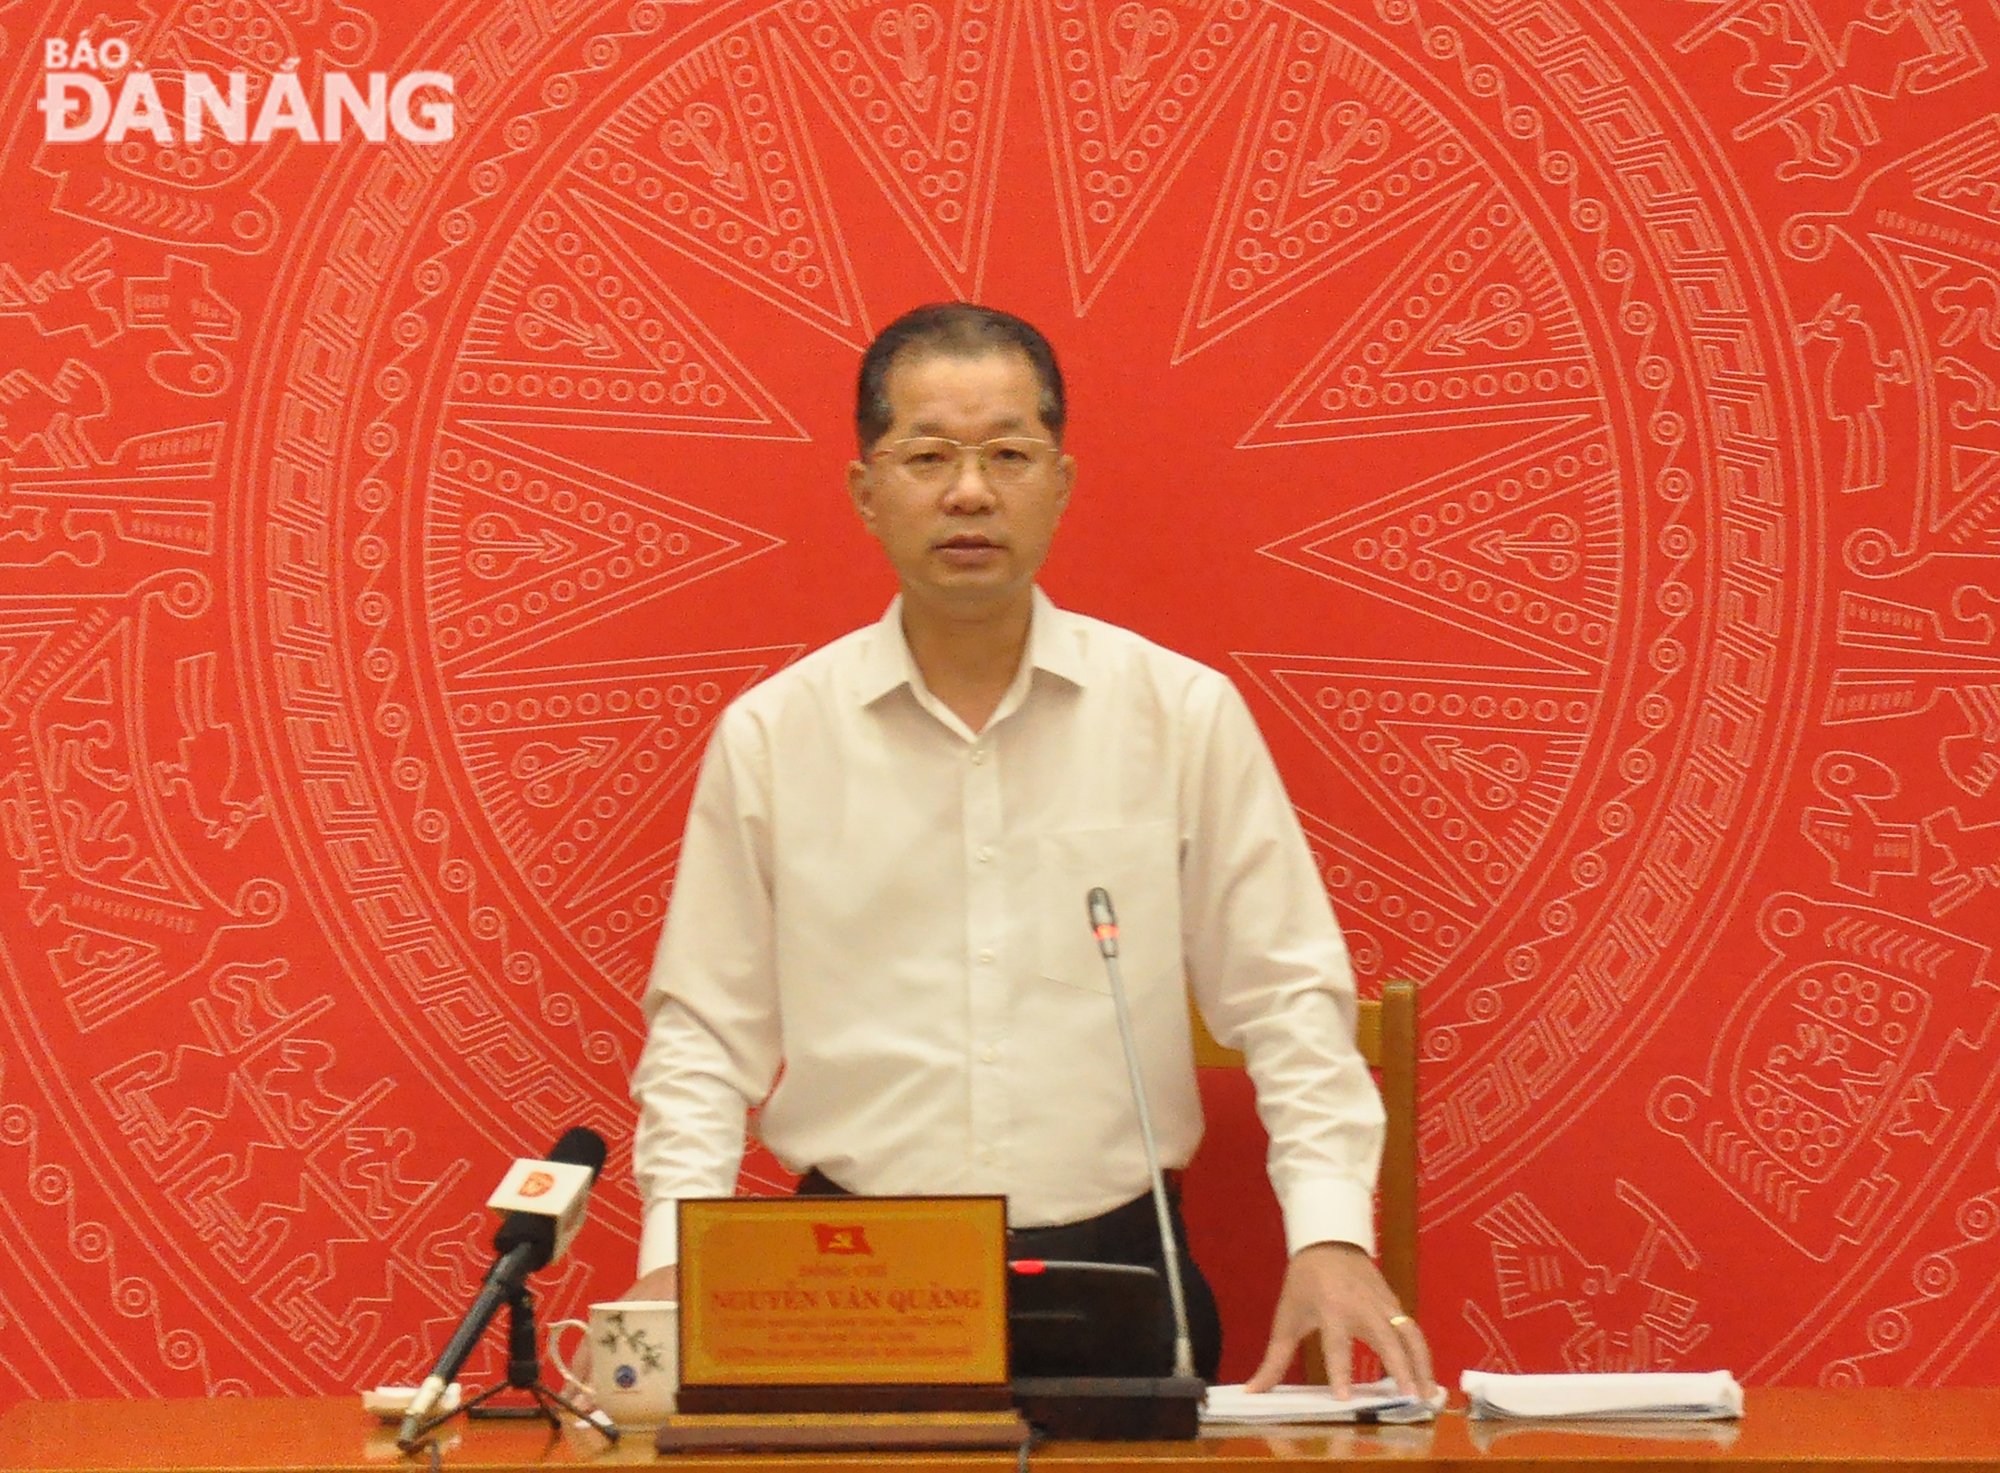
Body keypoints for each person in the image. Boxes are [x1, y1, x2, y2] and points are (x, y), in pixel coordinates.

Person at [621, 303, 1433, 1396]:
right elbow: (703, 1038)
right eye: (926, 456)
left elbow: (1286, 997)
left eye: (1007, 453)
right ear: (866, 492)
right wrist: (676, 1260)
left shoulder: (1179, 715)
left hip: (1115, 1265)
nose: (968, 492)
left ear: (1061, 482)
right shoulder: (775, 734)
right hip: (847, 1284)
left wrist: (1330, 1234)